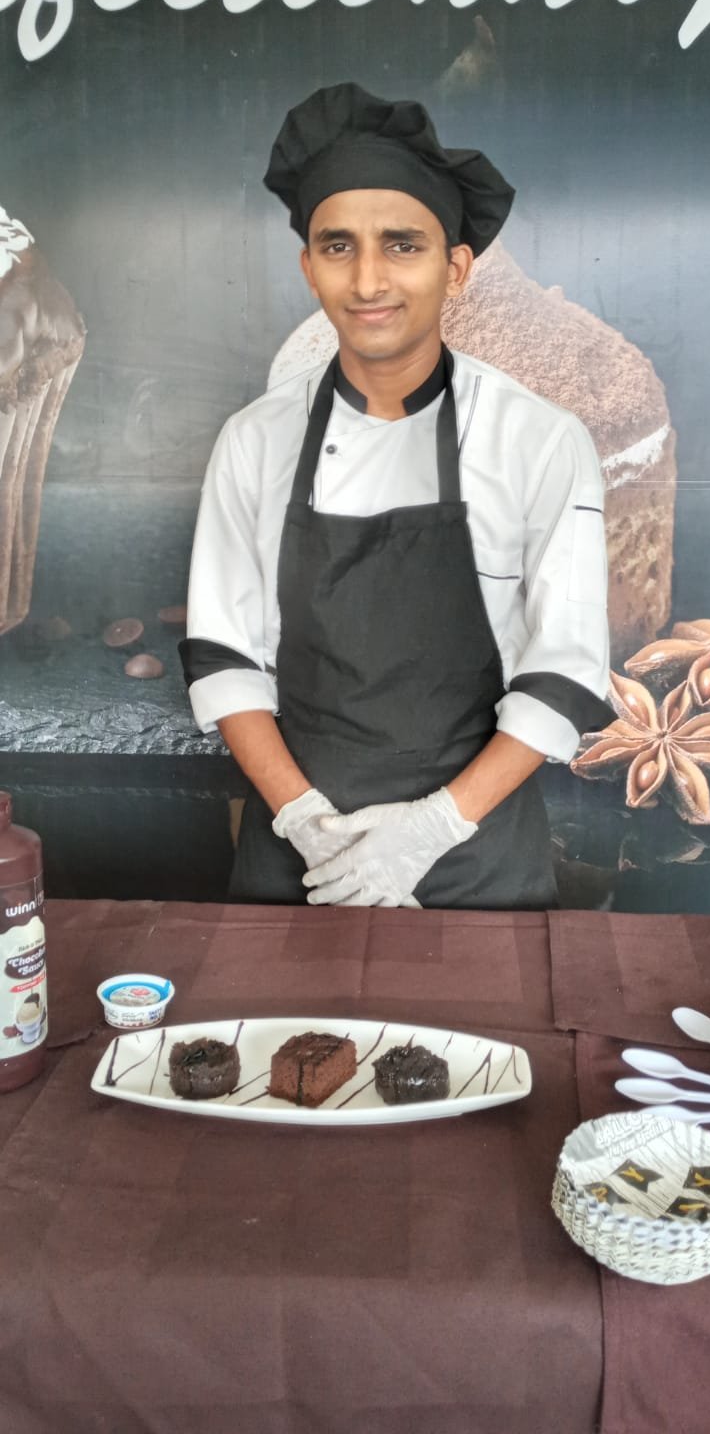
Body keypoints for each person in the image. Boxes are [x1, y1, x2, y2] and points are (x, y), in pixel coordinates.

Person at [180, 82, 614, 909]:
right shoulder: (255, 440)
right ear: (309, 268)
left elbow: (564, 673)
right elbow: (225, 659)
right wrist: (306, 820)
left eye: (403, 245)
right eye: (338, 246)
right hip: (300, 857)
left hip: (476, 858)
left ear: (456, 268)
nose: (369, 279)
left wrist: (431, 828)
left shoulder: (540, 440)